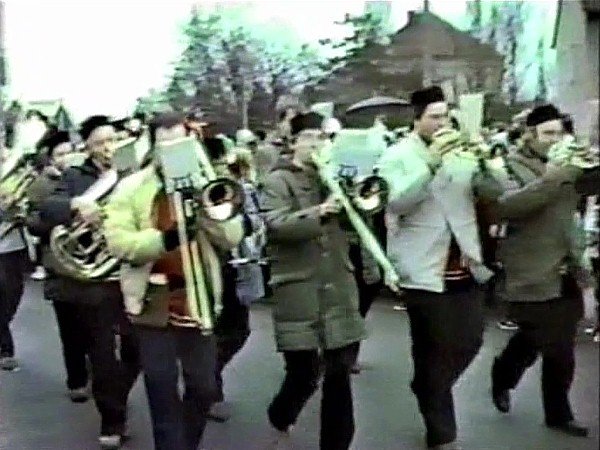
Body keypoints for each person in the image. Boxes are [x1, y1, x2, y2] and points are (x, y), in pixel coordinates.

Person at [103, 112, 244, 450]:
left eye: (181, 142)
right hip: (153, 299)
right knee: (161, 387)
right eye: (166, 143)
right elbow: (119, 243)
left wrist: (206, 212)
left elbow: (232, 237)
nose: (174, 150)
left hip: (198, 298)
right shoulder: (131, 187)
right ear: (153, 145)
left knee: (204, 388)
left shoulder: (208, 182)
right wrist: (165, 239)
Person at [376, 86, 496, 449]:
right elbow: (397, 203)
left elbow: (495, 193)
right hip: (422, 266)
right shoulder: (397, 155)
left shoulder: (462, 153)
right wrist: (430, 163)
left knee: (471, 341)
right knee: (436, 346)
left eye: (447, 116)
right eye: (435, 117)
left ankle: (428, 386)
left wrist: (486, 159)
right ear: (417, 120)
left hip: (464, 261)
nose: (443, 123)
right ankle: (442, 432)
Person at [260, 124, 365, 450]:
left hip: (337, 280)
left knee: (339, 371)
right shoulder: (277, 180)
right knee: (303, 372)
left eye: (323, 138)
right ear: (293, 142)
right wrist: (319, 211)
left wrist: (356, 199)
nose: (318, 144)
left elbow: (359, 225)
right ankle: (281, 413)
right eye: (310, 137)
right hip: (298, 286)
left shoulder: (333, 177)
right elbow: (276, 225)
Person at [38, 115, 140, 449]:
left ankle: (114, 395)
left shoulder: (136, 171)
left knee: (137, 349)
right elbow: (46, 209)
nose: (109, 147)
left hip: (135, 269)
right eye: (100, 143)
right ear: (89, 148)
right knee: (102, 354)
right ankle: (113, 419)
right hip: (98, 279)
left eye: (113, 140)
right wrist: (76, 204)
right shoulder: (75, 175)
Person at [490, 104, 591, 438]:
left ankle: (558, 413)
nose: (554, 140)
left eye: (559, 134)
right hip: (531, 267)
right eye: (548, 134)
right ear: (529, 135)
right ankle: (504, 374)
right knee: (536, 337)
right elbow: (509, 206)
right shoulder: (507, 165)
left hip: (567, 264)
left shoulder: (570, 165)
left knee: (560, 345)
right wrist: (558, 174)